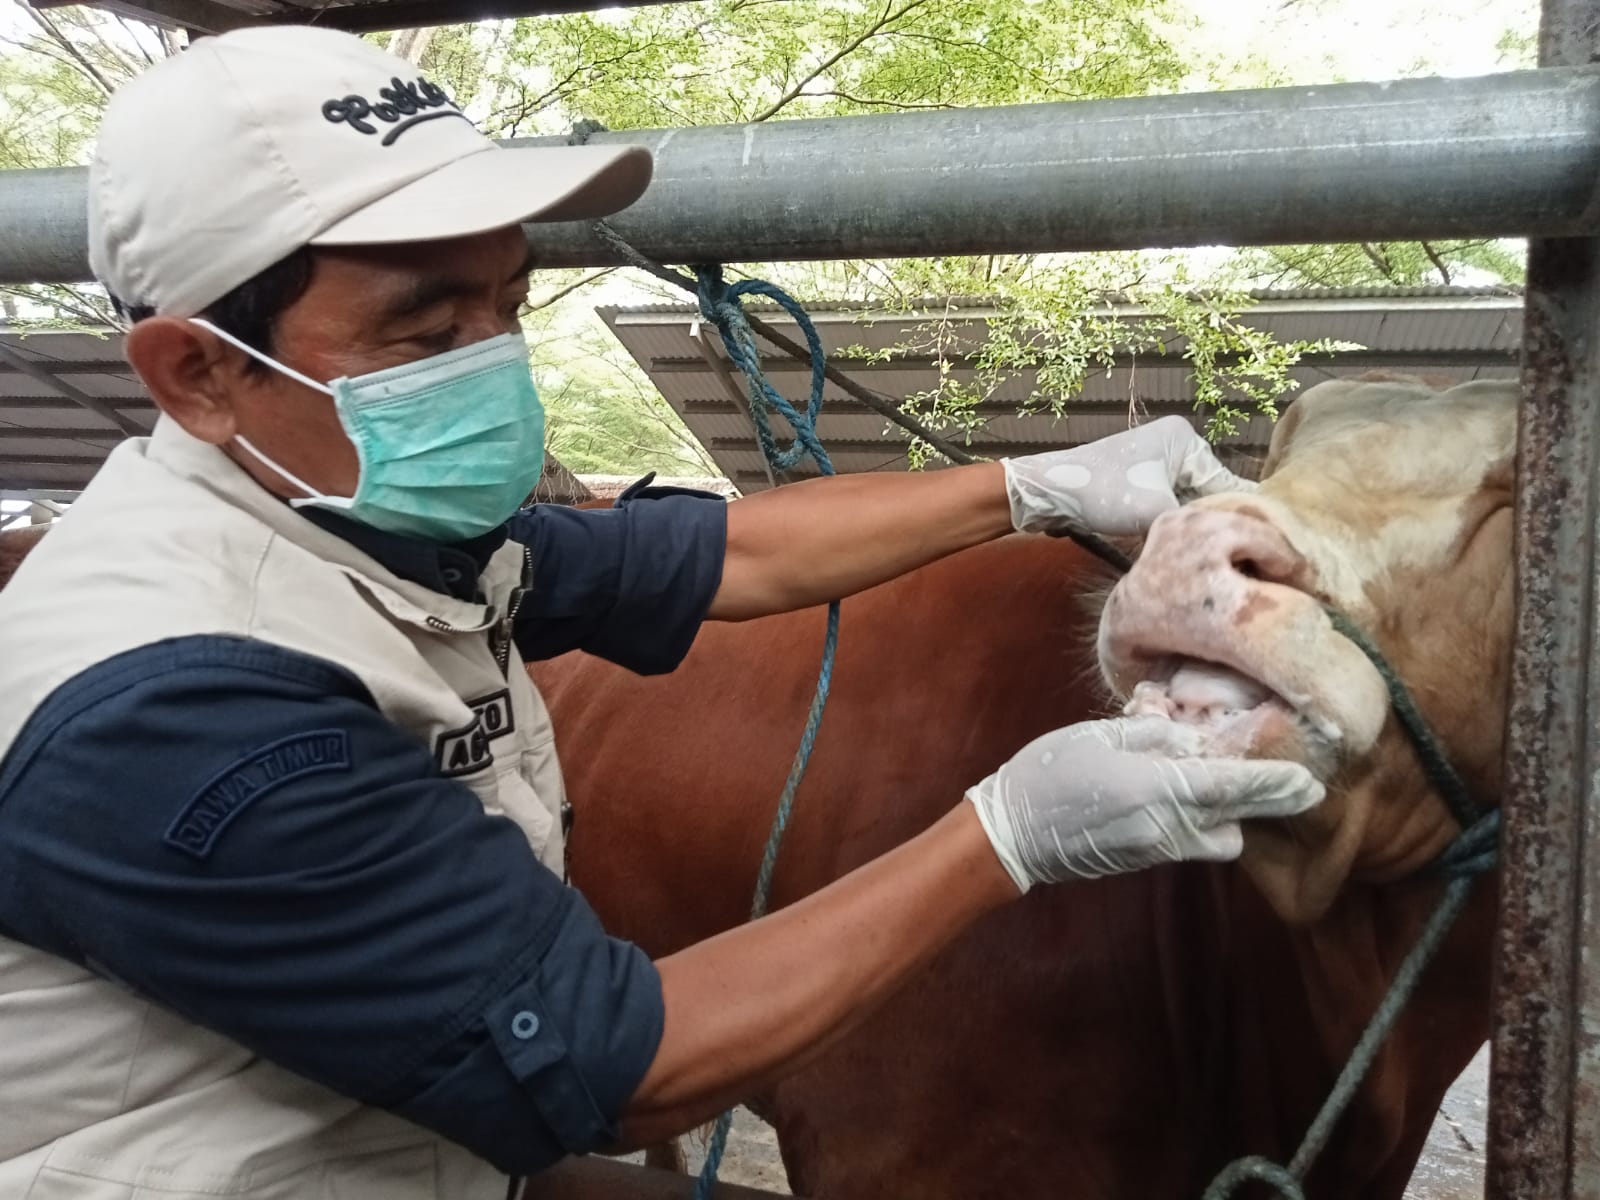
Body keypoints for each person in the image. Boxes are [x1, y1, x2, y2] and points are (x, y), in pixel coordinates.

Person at [0, 24, 1323, 1200]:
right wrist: (1012, 831)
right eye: (424, 330)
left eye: (509, 303)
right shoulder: (181, 710)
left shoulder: (347, 519)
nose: (494, 362)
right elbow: (612, 1065)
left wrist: (1037, 485)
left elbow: (714, 558)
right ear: (200, 372)